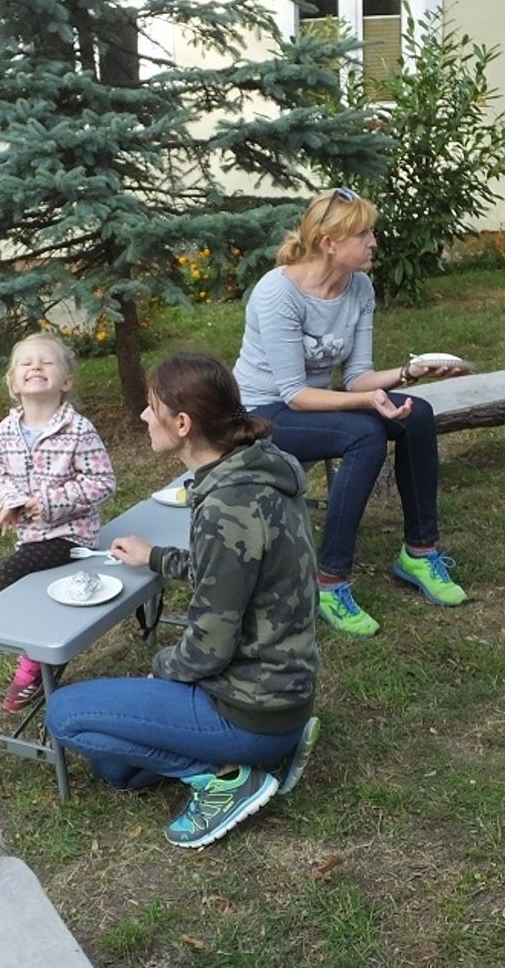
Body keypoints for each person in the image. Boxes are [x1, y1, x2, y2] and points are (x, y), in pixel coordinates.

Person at [44, 354, 321, 849]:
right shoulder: (259, 470)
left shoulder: (226, 507)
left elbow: (209, 649)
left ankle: (227, 778)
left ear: (183, 424)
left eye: (152, 408)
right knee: (117, 769)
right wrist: (157, 558)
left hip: (250, 708)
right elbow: (236, 569)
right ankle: (259, 756)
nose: (143, 416)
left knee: (64, 714)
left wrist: (163, 668)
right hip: (285, 695)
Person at [233, 187, 468, 638]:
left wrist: (409, 372)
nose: (374, 242)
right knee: (365, 434)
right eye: (363, 234)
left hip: (309, 404)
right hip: (260, 413)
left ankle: (419, 553)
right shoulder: (278, 293)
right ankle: (330, 582)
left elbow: (358, 376)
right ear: (329, 243)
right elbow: (295, 394)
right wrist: (366, 402)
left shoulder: (359, 286)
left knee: (417, 414)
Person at [0, 332, 116, 712]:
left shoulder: (78, 430)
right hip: (31, 536)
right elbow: (1, 476)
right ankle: (45, 647)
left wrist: (48, 503)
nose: (35, 367)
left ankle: (37, 661)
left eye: (46, 362)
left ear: (67, 381)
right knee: (32, 586)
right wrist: (12, 504)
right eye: (25, 363)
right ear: (13, 383)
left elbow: (102, 481)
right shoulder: (4, 432)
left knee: (10, 574)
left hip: (73, 535)